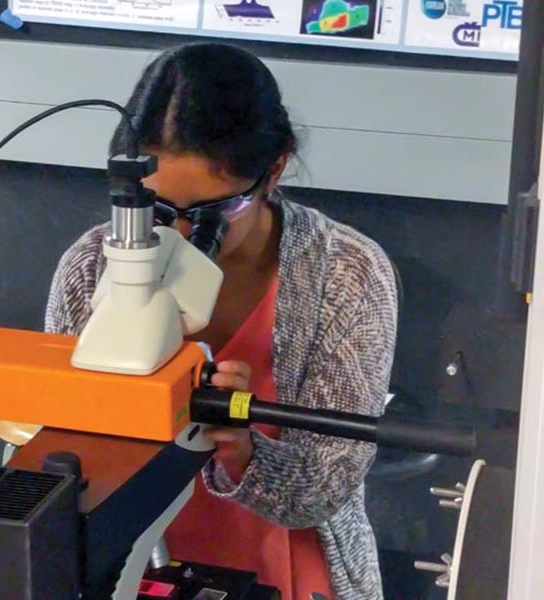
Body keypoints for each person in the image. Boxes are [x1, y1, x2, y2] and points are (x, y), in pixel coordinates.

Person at [45, 42, 397, 600]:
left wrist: (243, 447)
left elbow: (329, 485)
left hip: (283, 559)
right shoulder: (93, 265)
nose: (181, 238)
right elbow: (55, 447)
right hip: (130, 563)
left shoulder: (346, 272)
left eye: (210, 215)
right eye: (156, 212)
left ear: (273, 170)